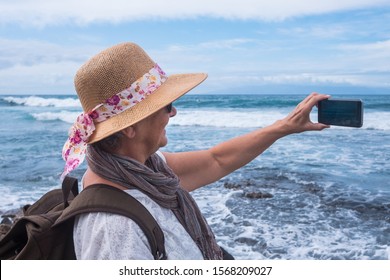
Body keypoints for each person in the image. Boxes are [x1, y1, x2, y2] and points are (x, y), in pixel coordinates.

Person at [61, 42, 330, 260]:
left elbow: (217, 160)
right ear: (130, 128)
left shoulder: (143, 170)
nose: (173, 112)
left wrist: (285, 126)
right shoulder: (115, 231)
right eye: (166, 105)